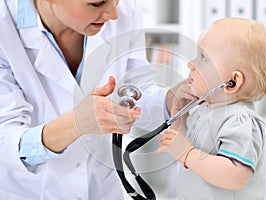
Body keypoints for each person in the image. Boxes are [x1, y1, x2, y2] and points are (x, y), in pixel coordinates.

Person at [0, 0, 181, 199]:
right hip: (29, 191)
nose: (114, 14)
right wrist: (76, 123)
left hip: (101, 189)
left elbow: (133, 92)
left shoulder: (124, 10)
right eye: (96, 4)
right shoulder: (4, 25)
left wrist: (171, 100)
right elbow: (5, 139)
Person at [157, 17, 266, 199]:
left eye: (203, 58)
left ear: (232, 82)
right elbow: (187, 142)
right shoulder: (204, 110)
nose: (191, 64)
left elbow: (235, 176)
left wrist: (186, 153)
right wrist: (179, 112)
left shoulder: (240, 121)